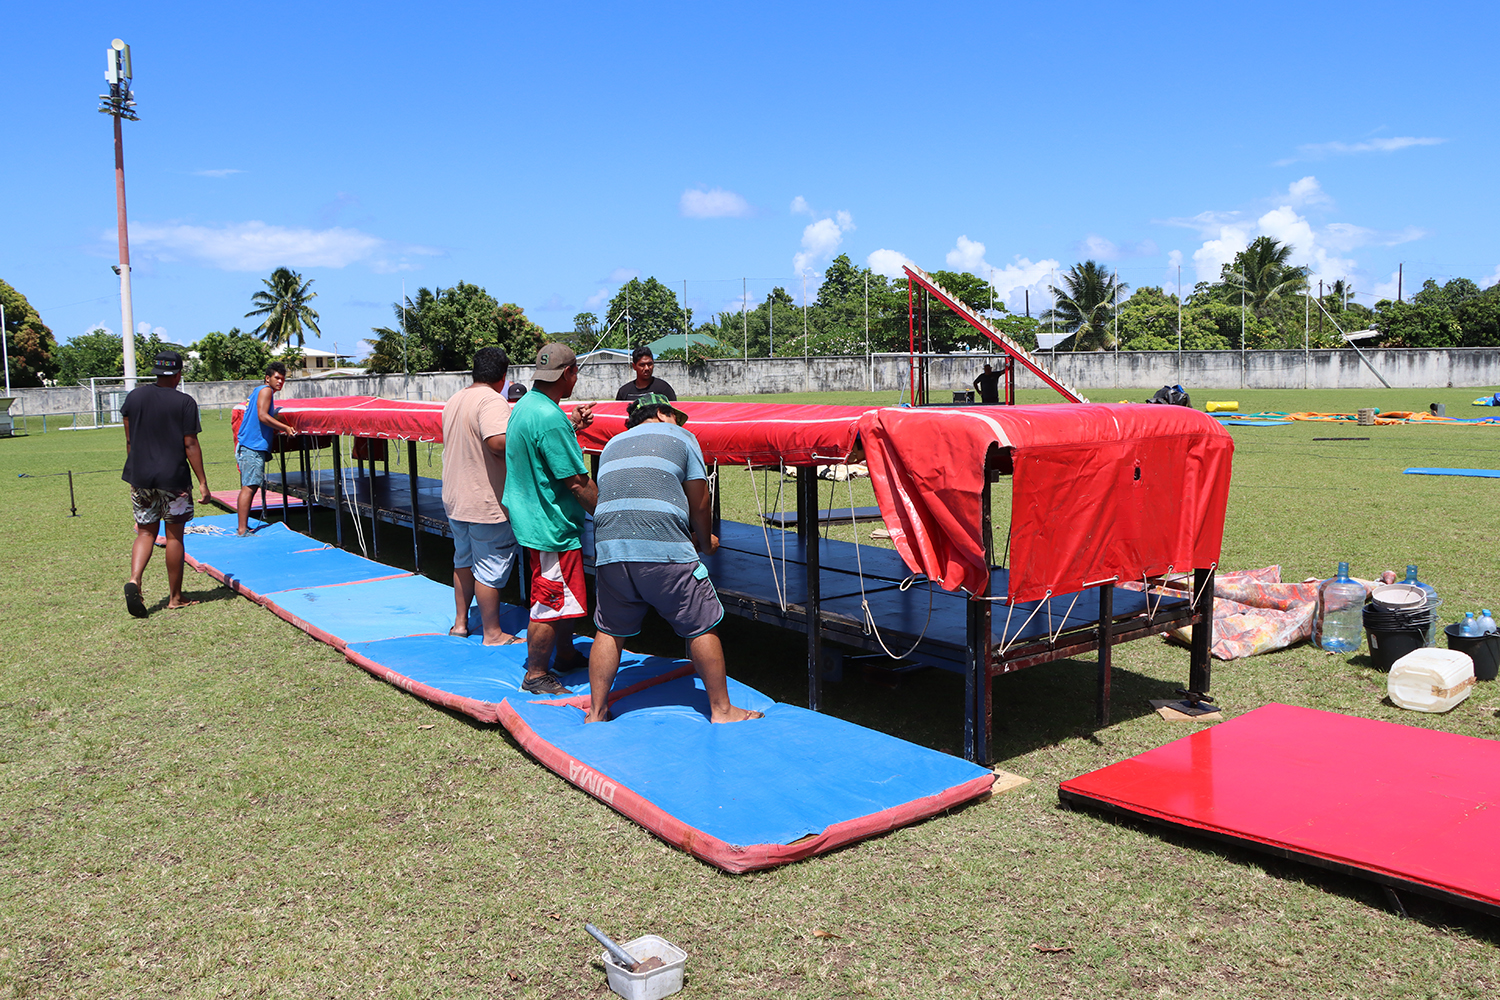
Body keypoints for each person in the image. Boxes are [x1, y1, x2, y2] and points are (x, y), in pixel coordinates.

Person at [585, 394, 762, 724]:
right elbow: (700, 498)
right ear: (664, 413)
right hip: (662, 551)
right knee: (700, 626)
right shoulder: (682, 436)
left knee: (609, 630)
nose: (679, 423)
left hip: (610, 551)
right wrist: (706, 541)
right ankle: (723, 710)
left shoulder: (612, 443)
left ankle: (595, 713)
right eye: (676, 417)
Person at [503, 343, 597, 694]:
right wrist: (610, 513)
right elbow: (575, 481)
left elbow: (542, 449)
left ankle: (566, 654)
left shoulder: (527, 404)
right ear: (569, 374)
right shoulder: (550, 418)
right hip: (550, 524)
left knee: (561, 594)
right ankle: (536, 674)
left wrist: (573, 425)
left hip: (531, 516)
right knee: (550, 597)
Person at [120, 350, 212, 617]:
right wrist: (203, 482)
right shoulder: (185, 402)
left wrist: (139, 469)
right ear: (179, 373)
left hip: (140, 477)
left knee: (145, 532)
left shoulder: (134, 397)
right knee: (174, 535)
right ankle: (175, 597)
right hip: (174, 478)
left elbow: (129, 441)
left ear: (156, 372)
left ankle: (135, 579)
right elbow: (190, 443)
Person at [441, 347, 522, 645]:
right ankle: (493, 633)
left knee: (463, 561)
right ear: (503, 377)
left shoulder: (455, 399)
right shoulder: (492, 400)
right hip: (484, 501)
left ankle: (460, 624)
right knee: (489, 568)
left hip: (456, 497)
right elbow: (497, 442)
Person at [235, 361, 297, 536]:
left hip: (248, 445)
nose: (280, 382)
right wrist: (284, 427)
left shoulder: (259, 391)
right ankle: (242, 530)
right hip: (252, 446)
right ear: (267, 378)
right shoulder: (266, 390)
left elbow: (262, 414)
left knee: (249, 486)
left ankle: (242, 527)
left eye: (282, 379)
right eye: (277, 378)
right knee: (250, 487)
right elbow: (262, 416)